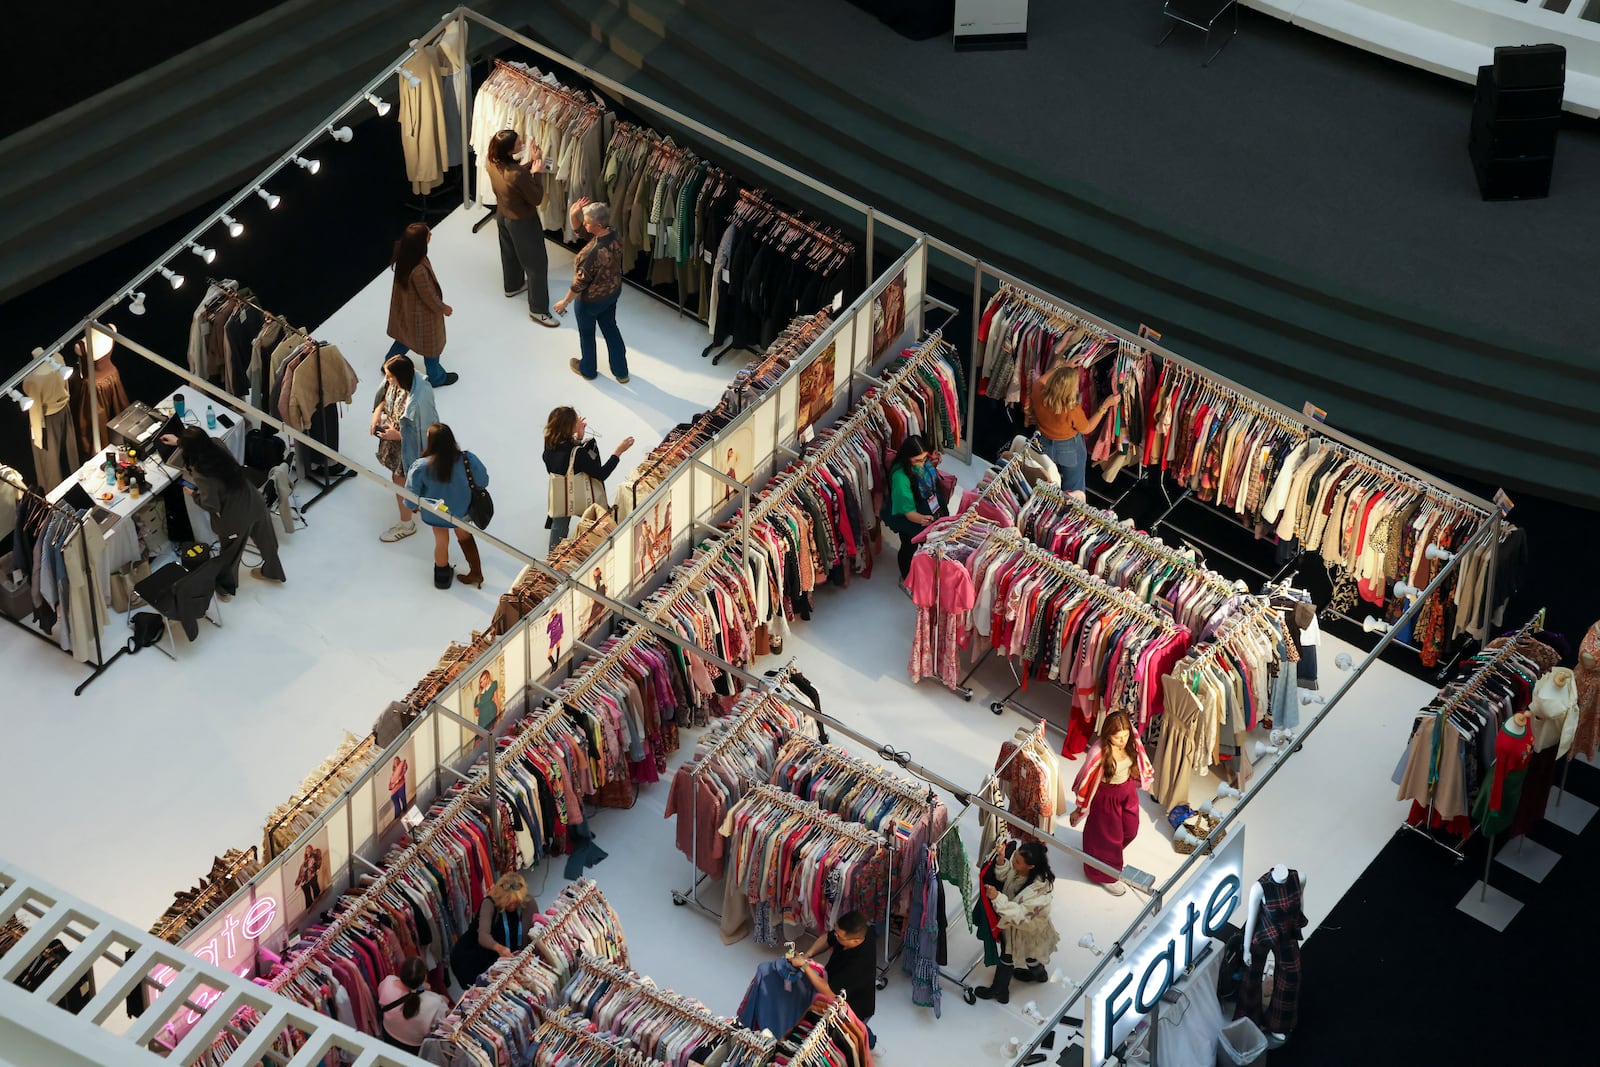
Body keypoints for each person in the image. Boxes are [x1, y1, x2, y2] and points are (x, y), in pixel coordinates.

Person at [160, 425, 287, 599]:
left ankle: (226, 589)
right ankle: (273, 572)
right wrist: (179, 442)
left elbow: (211, 505)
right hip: (253, 500)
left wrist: (194, 495)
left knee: (230, 554)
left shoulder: (200, 472)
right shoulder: (217, 444)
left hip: (234, 518)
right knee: (267, 540)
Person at [1069, 711, 1154, 896]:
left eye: (1125, 736)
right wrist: (1078, 808)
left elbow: (1140, 758)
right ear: (1108, 734)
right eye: (1118, 737)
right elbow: (1086, 779)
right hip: (1107, 796)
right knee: (1109, 837)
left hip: (1127, 791)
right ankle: (1106, 874)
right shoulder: (1098, 752)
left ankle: (1104, 853)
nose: (1123, 740)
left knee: (1131, 829)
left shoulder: (1131, 740)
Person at [485, 129, 558, 327]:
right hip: (522, 222)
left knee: (509, 253)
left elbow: (514, 178)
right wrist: (538, 174)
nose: (522, 143)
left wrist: (531, 164)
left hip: (503, 214)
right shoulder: (517, 174)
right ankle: (538, 309)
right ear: (509, 151)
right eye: (518, 143)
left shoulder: (491, 162)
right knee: (536, 265)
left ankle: (513, 285)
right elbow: (535, 198)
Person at [973, 839, 1058, 1004]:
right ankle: (1039, 974)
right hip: (1015, 928)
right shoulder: (1020, 871)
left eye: (1017, 861)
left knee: (1011, 956)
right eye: (1014, 858)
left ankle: (1000, 990)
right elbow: (1007, 876)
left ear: (1031, 866)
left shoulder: (1039, 892)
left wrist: (997, 898)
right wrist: (1001, 862)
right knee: (1027, 956)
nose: (1013, 862)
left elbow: (1020, 915)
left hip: (1024, 931)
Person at [405, 422, 489, 590]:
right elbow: (483, 481)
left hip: (436, 512)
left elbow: (411, 498)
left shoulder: (420, 466)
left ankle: (442, 577)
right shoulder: (467, 459)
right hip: (462, 509)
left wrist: (413, 506)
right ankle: (476, 572)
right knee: (465, 537)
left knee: (441, 542)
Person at [555, 198, 628, 383]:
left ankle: (588, 369)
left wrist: (565, 302)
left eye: (586, 221)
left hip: (590, 301)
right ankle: (621, 371)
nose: (584, 223)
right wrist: (574, 215)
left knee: (587, 334)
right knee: (611, 328)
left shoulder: (592, 254)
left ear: (598, 225)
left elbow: (579, 284)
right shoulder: (613, 235)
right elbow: (583, 233)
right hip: (612, 292)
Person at [542, 406, 632, 553]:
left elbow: (560, 464)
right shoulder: (579, 454)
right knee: (601, 519)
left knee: (559, 525)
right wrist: (618, 452)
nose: (580, 420)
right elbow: (602, 473)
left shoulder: (549, 443)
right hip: (582, 497)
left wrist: (577, 438)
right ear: (569, 427)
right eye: (576, 419)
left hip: (560, 495)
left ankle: (553, 560)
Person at [372, 354, 439, 543]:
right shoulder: (400, 382)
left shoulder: (419, 399)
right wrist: (377, 413)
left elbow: (425, 431)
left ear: (400, 376)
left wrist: (398, 435)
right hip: (398, 440)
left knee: (400, 478)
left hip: (410, 447)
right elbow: (385, 395)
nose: (387, 379)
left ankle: (406, 523)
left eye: (390, 376)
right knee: (403, 477)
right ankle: (415, 501)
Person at [789, 910, 878, 1044]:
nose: (835, 936)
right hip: (841, 992)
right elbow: (827, 938)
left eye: (840, 937)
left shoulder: (857, 965)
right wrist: (807, 955)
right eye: (836, 932)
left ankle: (870, 1044)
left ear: (856, 940)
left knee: (854, 1032)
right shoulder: (861, 932)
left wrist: (805, 966)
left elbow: (829, 992)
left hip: (854, 1008)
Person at [385, 222, 457, 388]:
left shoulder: (404, 256)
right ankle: (437, 378)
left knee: (404, 338)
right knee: (431, 351)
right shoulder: (418, 270)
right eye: (428, 234)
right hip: (421, 317)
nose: (430, 235)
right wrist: (443, 308)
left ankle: (389, 363)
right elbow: (429, 297)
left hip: (406, 311)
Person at [1034, 362, 1117, 497]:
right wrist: (1105, 406)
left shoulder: (1038, 390)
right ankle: (1068, 513)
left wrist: (1064, 365)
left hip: (1043, 442)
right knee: (1074, 488)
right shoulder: (1071, 409)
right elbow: (1087, 428)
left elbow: (1042, 379)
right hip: (1069, 447)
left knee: (1044, 481)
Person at [450, 872, 537, 988]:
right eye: (508, 902)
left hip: (504, 960)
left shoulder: (528, 903)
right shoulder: (489, 903)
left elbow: (534, 930)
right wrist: (499, 948)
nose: (512, 906)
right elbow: (483, 936)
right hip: (475, 958)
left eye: (515, 903)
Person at [881, 434, 948, 584]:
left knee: (929, 546)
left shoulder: (922, 462)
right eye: (917, 460)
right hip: (910, 519)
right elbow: (908, 512)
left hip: (928, 508)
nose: (922, 463)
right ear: (907, 458)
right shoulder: (900, 478)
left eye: (924, 459)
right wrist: (925, 520)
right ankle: (906, 579)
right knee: (908, 547)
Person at [377, 956, 450, 1055]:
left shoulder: (388, 982)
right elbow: (440, 1024)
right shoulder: (435, 1002)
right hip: (413, 1047)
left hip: (388, 1034)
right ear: (424, 978)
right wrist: (441, 999)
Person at [293, 845, 323, 910]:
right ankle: (310, 908)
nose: (308, 851)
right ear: (306, 852)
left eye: (309, 850)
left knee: (316, 890)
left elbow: (318, 857)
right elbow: (301, 874)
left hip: (312, 877)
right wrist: (297, 884)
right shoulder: (305, 863)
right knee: (308, 896)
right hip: (305, 881)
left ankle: (317, 904)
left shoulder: (314, 856)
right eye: (307, 850)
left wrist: (318, 868)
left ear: (312, 850)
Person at [387, 755, 408, 820]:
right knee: (395, 800)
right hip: (394, 789)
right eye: (395, 762)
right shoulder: (393, 773)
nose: (396, 763)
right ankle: (397, 815)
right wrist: (392, 785)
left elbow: (404, 767)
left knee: (402, 797)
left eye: (397, 761)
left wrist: (398, 780)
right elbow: (390, 784)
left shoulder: (401, 768)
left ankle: (405, 809)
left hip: (401, 785)